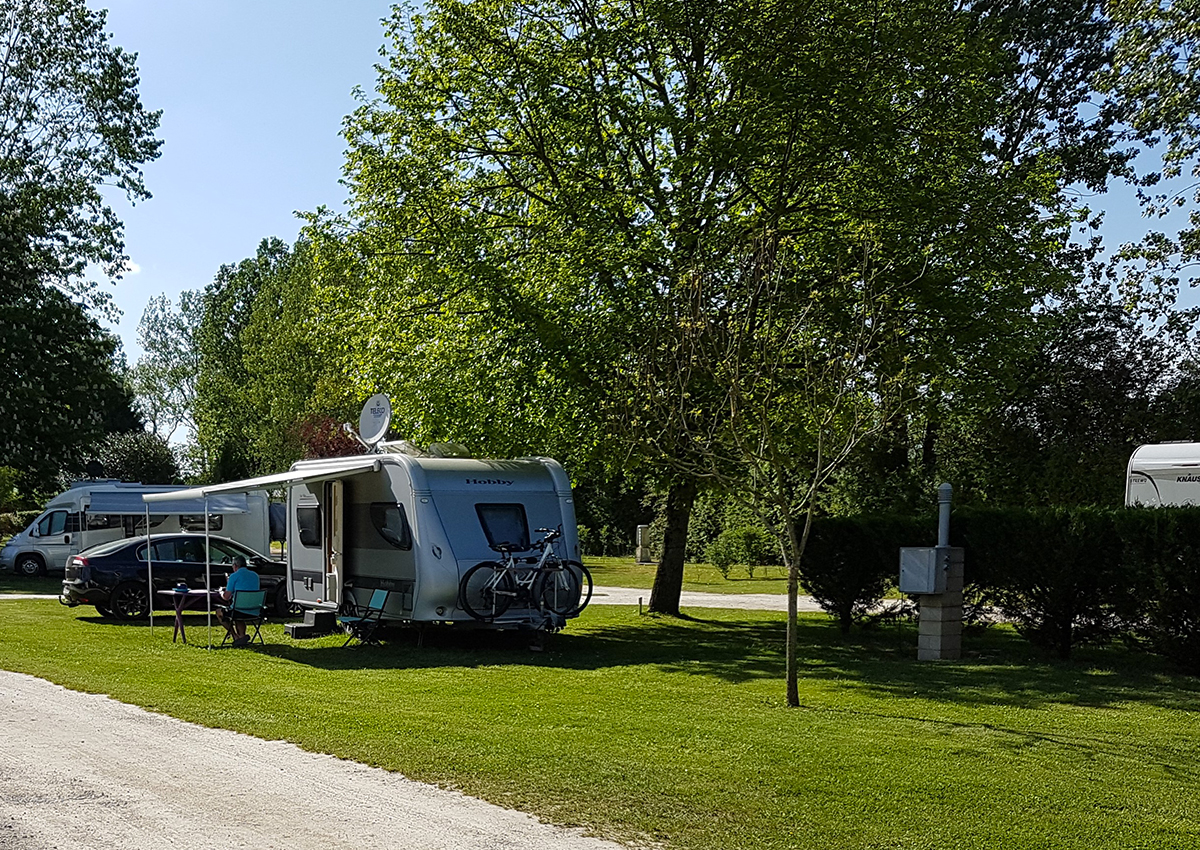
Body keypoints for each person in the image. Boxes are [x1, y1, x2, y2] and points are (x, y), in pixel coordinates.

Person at [217, 555, 260, 646]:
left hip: (238, 610)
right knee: (239, 614)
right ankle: (242, 636)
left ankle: (235, 636)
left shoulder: (234, 576)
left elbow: (226, 597)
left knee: (219, 612)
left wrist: (221, 592)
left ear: (235, 566)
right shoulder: (255, 576)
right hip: (254, 610)